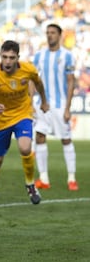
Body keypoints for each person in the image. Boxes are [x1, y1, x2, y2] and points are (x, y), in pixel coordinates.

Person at [0, 40, 49, 207]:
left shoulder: (28, 70)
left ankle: (30, 185)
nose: (8, 61)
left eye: (12, 57)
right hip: (1, 119)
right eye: (5, 57)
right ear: (0, 56)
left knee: (25, 148)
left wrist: (44, 101)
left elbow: (39, 84)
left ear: (18, 57)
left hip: (22, 114)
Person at [33, 23, 78, 191]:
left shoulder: (67, 56)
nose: (49, 35)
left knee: (66, 139)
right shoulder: (39, 56)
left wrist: (68, 108)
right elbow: (33, 80)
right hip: (42, 105)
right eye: (47, 33)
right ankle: (43, 178)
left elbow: (70, 81)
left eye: (53, 33)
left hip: (60, 106)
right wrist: (30, 102)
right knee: (39, 137)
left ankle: (71, 178)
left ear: (60, 35)